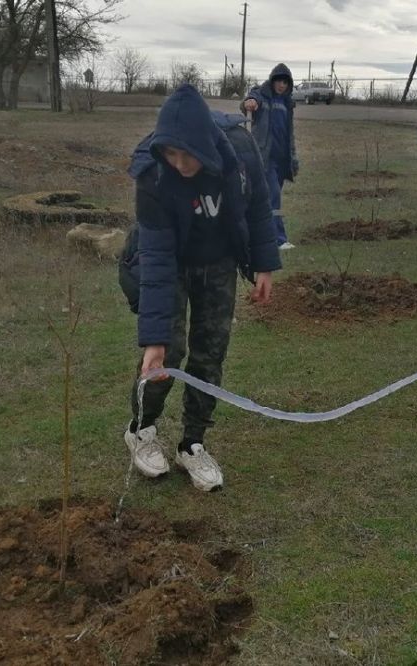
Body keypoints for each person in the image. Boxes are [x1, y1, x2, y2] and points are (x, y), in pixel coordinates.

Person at [120, 84, 280, 492]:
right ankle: (141, 430)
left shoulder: (239, 152)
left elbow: (259, 204)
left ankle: (192, 444)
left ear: (206, 144)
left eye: (187, 153)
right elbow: (155, 257)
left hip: (219, 261)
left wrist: (264, 264)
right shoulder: (153, 174)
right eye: (171, 153)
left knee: (210, 353)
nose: (180, 163)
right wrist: (154, 339)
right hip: (171, 263)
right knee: (166, 355)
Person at [242, 63, 300, 250]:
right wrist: (249, 102)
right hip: (264, 158)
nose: (281, 85)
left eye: (285, 82)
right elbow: (250, 100)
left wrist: (293, 157)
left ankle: (257, 234)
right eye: (278, 81)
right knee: (273, 196)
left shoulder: (287, 104)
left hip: (281, 160)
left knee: (267, 198)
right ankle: (278, 239)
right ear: (272, 80)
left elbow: (289, 134)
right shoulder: (262, 94)